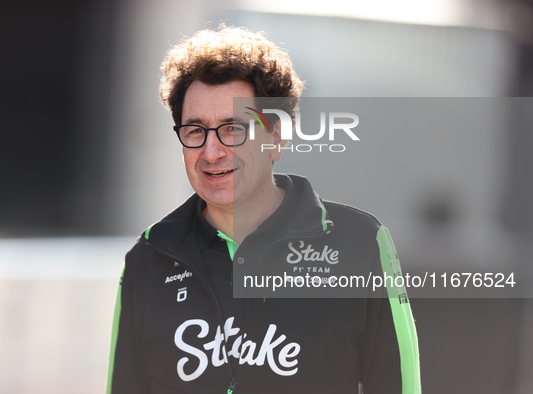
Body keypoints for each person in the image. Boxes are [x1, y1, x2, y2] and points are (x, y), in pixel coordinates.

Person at [107, 25, 420, 394]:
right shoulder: (149, 257)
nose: (211, 152)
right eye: (195, 131)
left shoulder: (360, 245)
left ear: (276, 137)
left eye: (233, 129)